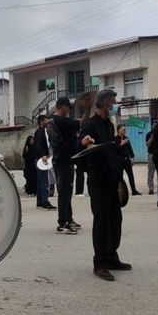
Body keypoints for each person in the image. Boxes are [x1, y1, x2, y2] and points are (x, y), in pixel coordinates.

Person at [79, 89, 131, 282]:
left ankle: (111, 257)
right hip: (98, 181)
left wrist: (119, 174)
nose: (113, 105)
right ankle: (99, 263)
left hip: (112, 179)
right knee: (101, 223)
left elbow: (112, 150)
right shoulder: (90, 124)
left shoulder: (109, 125)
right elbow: (83, 138)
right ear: (102, 103)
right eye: (111, 102)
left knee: (115, 220)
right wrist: (85, 141)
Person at [49, 96, 91, 235]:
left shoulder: (53, 121)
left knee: (65, 191)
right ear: (62, 107)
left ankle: (68, 218)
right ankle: (62, 223)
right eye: (68, 108)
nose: (69, 111)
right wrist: (88, 108)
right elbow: (82, 123)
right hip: (63, 161)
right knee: (64, 192)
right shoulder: (60, 121)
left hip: (61, 160)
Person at [34, 115, 56, 210]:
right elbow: (38, 145)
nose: (47, 121)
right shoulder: (40, 132)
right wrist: (43, 155)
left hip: (40, 158)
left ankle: (40, 201)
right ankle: (45, 201)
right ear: (41, 122)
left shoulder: (43, 132)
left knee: (41, 181)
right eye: (45, 120)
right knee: (44, 181)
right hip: (41, 159)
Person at [115, 124, 141, 196]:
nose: (125, 131)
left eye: (125, 130)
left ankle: (134, 190)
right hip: (119, 161)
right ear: (118, 130)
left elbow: (130, 149)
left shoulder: (126, 138)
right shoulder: (115, 139)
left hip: (127, 160)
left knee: (131, 176)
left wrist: (132, 157)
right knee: (120, 177)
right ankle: (120, 191)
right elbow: (115, 149)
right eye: (123, 130)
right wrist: (122, 144)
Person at [145, 124, 156, 195]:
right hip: (151, 155)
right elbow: (147, 144)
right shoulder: (149, 134)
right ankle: (151, 188)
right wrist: (152, 137)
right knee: (151, 173)